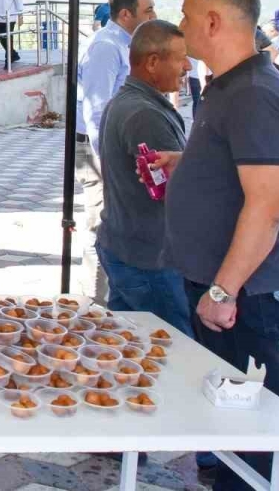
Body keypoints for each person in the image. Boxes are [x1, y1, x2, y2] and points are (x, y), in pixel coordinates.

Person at [154, 0, 279, 491]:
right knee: (226, 415)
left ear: (213, 21)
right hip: (223, 286)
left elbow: (265, 208)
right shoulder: (232, 85)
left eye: (188, 15)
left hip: (244, 294)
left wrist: (223, 290)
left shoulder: (255, 94)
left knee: (254, 424)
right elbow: (236, 168)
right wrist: (188, 164)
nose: (181, 26)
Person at [96, 20, 193, 335]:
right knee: (172, 354)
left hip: (128, 249)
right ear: (153, 62)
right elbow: (172, 191)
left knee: (126, 347)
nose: (187, 66)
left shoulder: (130, 102)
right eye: (181, 58)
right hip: (150, 260)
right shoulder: (144, 114)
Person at [75, 0, 157, 304]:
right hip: (97, 150)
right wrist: (107, 160)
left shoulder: (124, 44)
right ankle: (93, 308)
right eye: (147, 9)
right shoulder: (106, 46)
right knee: (100, 224)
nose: (153, 15)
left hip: (111, 148)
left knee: (116, 223)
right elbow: (96, 108)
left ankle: (112, 301)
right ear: (126, 13)